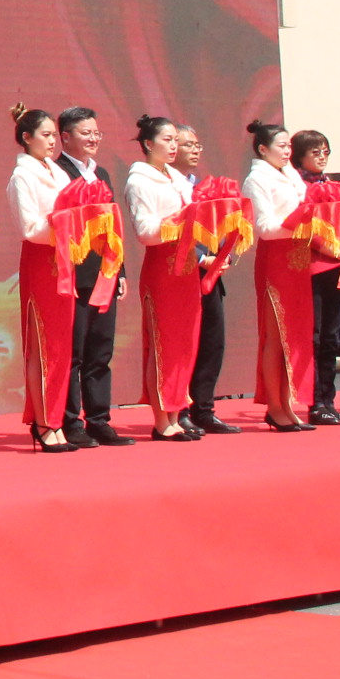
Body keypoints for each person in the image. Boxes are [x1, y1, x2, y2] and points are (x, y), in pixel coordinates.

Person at [124, 114, 205, 442]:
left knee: (185, 342)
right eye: (167, 140)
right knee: (163, 343)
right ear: (148, 144)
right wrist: (181, 221)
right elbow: (145, 232)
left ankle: (176, 412)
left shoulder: (177, 178)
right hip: (162, 269)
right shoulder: (139, 180)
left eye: (175, 140)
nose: (173, 146)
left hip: (187, 269)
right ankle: (162, 419)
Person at [55, 107, 129, 446]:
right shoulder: (58, 172)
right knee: (74, 352)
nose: (93, 138)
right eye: (86, 133)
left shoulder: (101, 173)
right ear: (65, 137)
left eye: (96, 133)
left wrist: (120, 270)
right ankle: (70, 422)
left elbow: (113, 227)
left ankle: (99, 419)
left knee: (101, 350)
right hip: (74, 274)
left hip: (105, 272)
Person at [7, 107, 77, 453]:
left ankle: (55, 419)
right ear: (27, 138)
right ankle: (43, 422)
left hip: (63, 261)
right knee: (41, 345)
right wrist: (63, 224)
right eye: (46, 135)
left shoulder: (58, 172)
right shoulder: (22, 176)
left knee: (61, 346)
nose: (52, 141)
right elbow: (30, 228)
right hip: (40, 262)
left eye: (53, 135)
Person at [240, 119, 313, 431]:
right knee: (275, 337)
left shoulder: (290, 174)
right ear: (262, 149)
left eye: (289, 146)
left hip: (298, 260)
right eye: (281, 146)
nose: (287, 151)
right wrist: (298, 222)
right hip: (276, 261)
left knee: (293, 337)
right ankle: (274, 405)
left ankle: (287, 403)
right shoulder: (256, 179)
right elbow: (264, 228)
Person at [175, 124, 237, 434]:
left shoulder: (202, 186)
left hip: (212, 274)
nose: (195, 150)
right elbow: (174, 229)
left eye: (197, 144)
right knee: (185, 343)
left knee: (212, 342)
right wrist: (201, 258)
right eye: (187, 144)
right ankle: (180, 408)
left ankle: (204, 408)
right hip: (183, 273)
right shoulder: (170, 186)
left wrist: (224, 253)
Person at [291, 129, 340, 426]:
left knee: (332, 336)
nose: (322, 156)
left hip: (337, 266)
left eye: (325, 151)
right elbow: (301, 226)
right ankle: (315, 402)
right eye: (315, 152)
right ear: (300, 155)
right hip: (312, 267)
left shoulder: (336, 186)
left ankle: (329, 400)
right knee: (313, 336)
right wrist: (332, 249)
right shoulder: (297, 186)